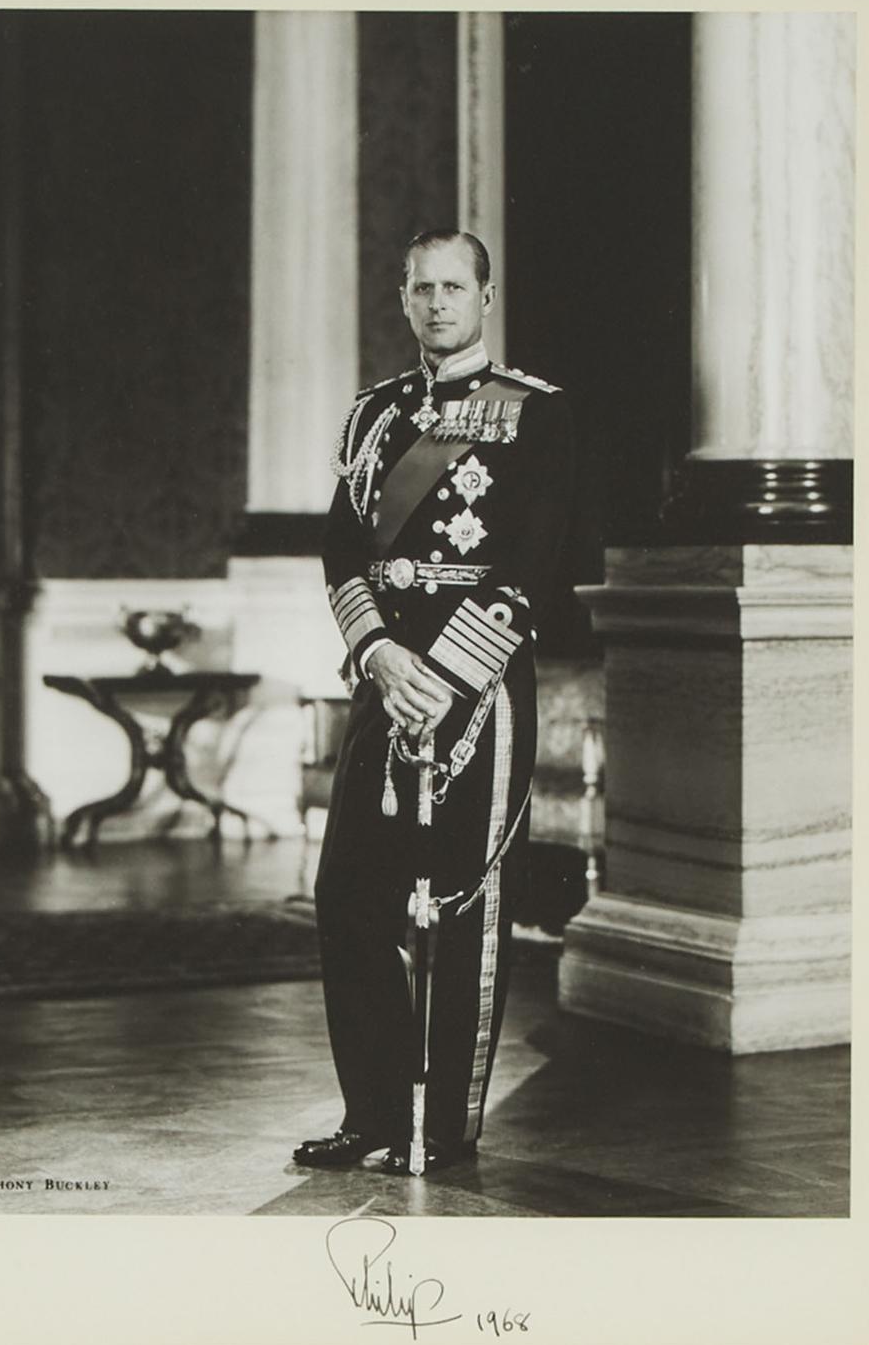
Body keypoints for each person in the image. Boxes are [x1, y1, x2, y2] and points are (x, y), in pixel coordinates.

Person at [294, 230, 574, 1176]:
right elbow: (342, 549)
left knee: (466, 908)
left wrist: (445, 675)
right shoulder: (374, 416)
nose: (439, 303)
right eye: (423, 289)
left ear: (486, 298)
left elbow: (538, 560)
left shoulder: (536, 414)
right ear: (403, 298)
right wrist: (377, 653)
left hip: (479, 691)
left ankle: (445, 1131)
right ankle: (371, 1115)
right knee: (347, 898)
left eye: (456, 287)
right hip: (386, 684)